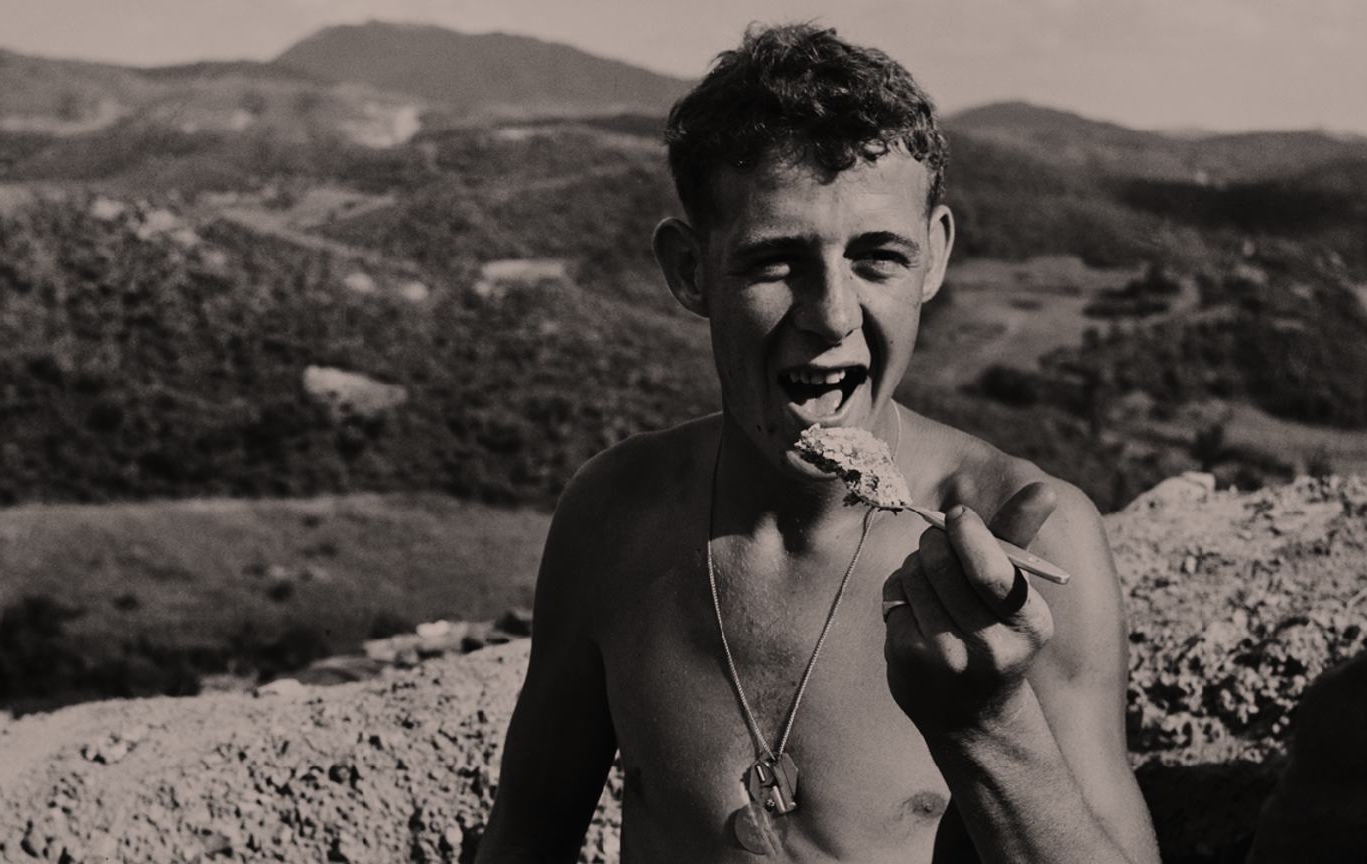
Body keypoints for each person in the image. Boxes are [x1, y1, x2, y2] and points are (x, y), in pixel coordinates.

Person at [477, 22, 1159, 864]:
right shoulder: (614, 518)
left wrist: (990, 727)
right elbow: (526, 837)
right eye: (775, 261)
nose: (832, 315)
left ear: (934, 258)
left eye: (877, 257)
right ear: (689, 269)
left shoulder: (1028, 546)